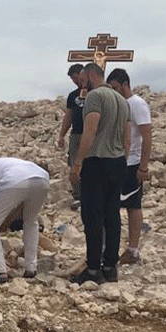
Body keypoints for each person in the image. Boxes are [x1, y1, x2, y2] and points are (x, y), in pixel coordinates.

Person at [68, 63, 130, 284]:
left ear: (91, 74)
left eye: (83, 77)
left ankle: (93, 268)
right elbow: (127, 135)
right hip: (117, 161)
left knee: (93, 216)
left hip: (97, 161)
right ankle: (110, 266)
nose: (81, 82)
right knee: (112, 215)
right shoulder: (122, 101)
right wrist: (123, 156)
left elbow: (90, 130)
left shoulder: (94, 97)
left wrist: (78, 163)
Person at [107, 68, 152, 265]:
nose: (114, 91)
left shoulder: (137, 105)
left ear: (125, 84)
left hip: (132, 163)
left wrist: (143, 166)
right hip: (118, 161)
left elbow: (147, 136)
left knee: (133, 205)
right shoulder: (120, 105)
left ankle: (133, 250)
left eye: (116, 87)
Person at [56, 64, 87, 205]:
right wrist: (62, 135)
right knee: (74, 164)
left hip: (91, 133)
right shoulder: (73, 96)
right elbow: (68, 116)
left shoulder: (95, 92)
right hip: (76, 134)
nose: (76, 82)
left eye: (76, 78)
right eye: (73, 80)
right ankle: (78, 195)